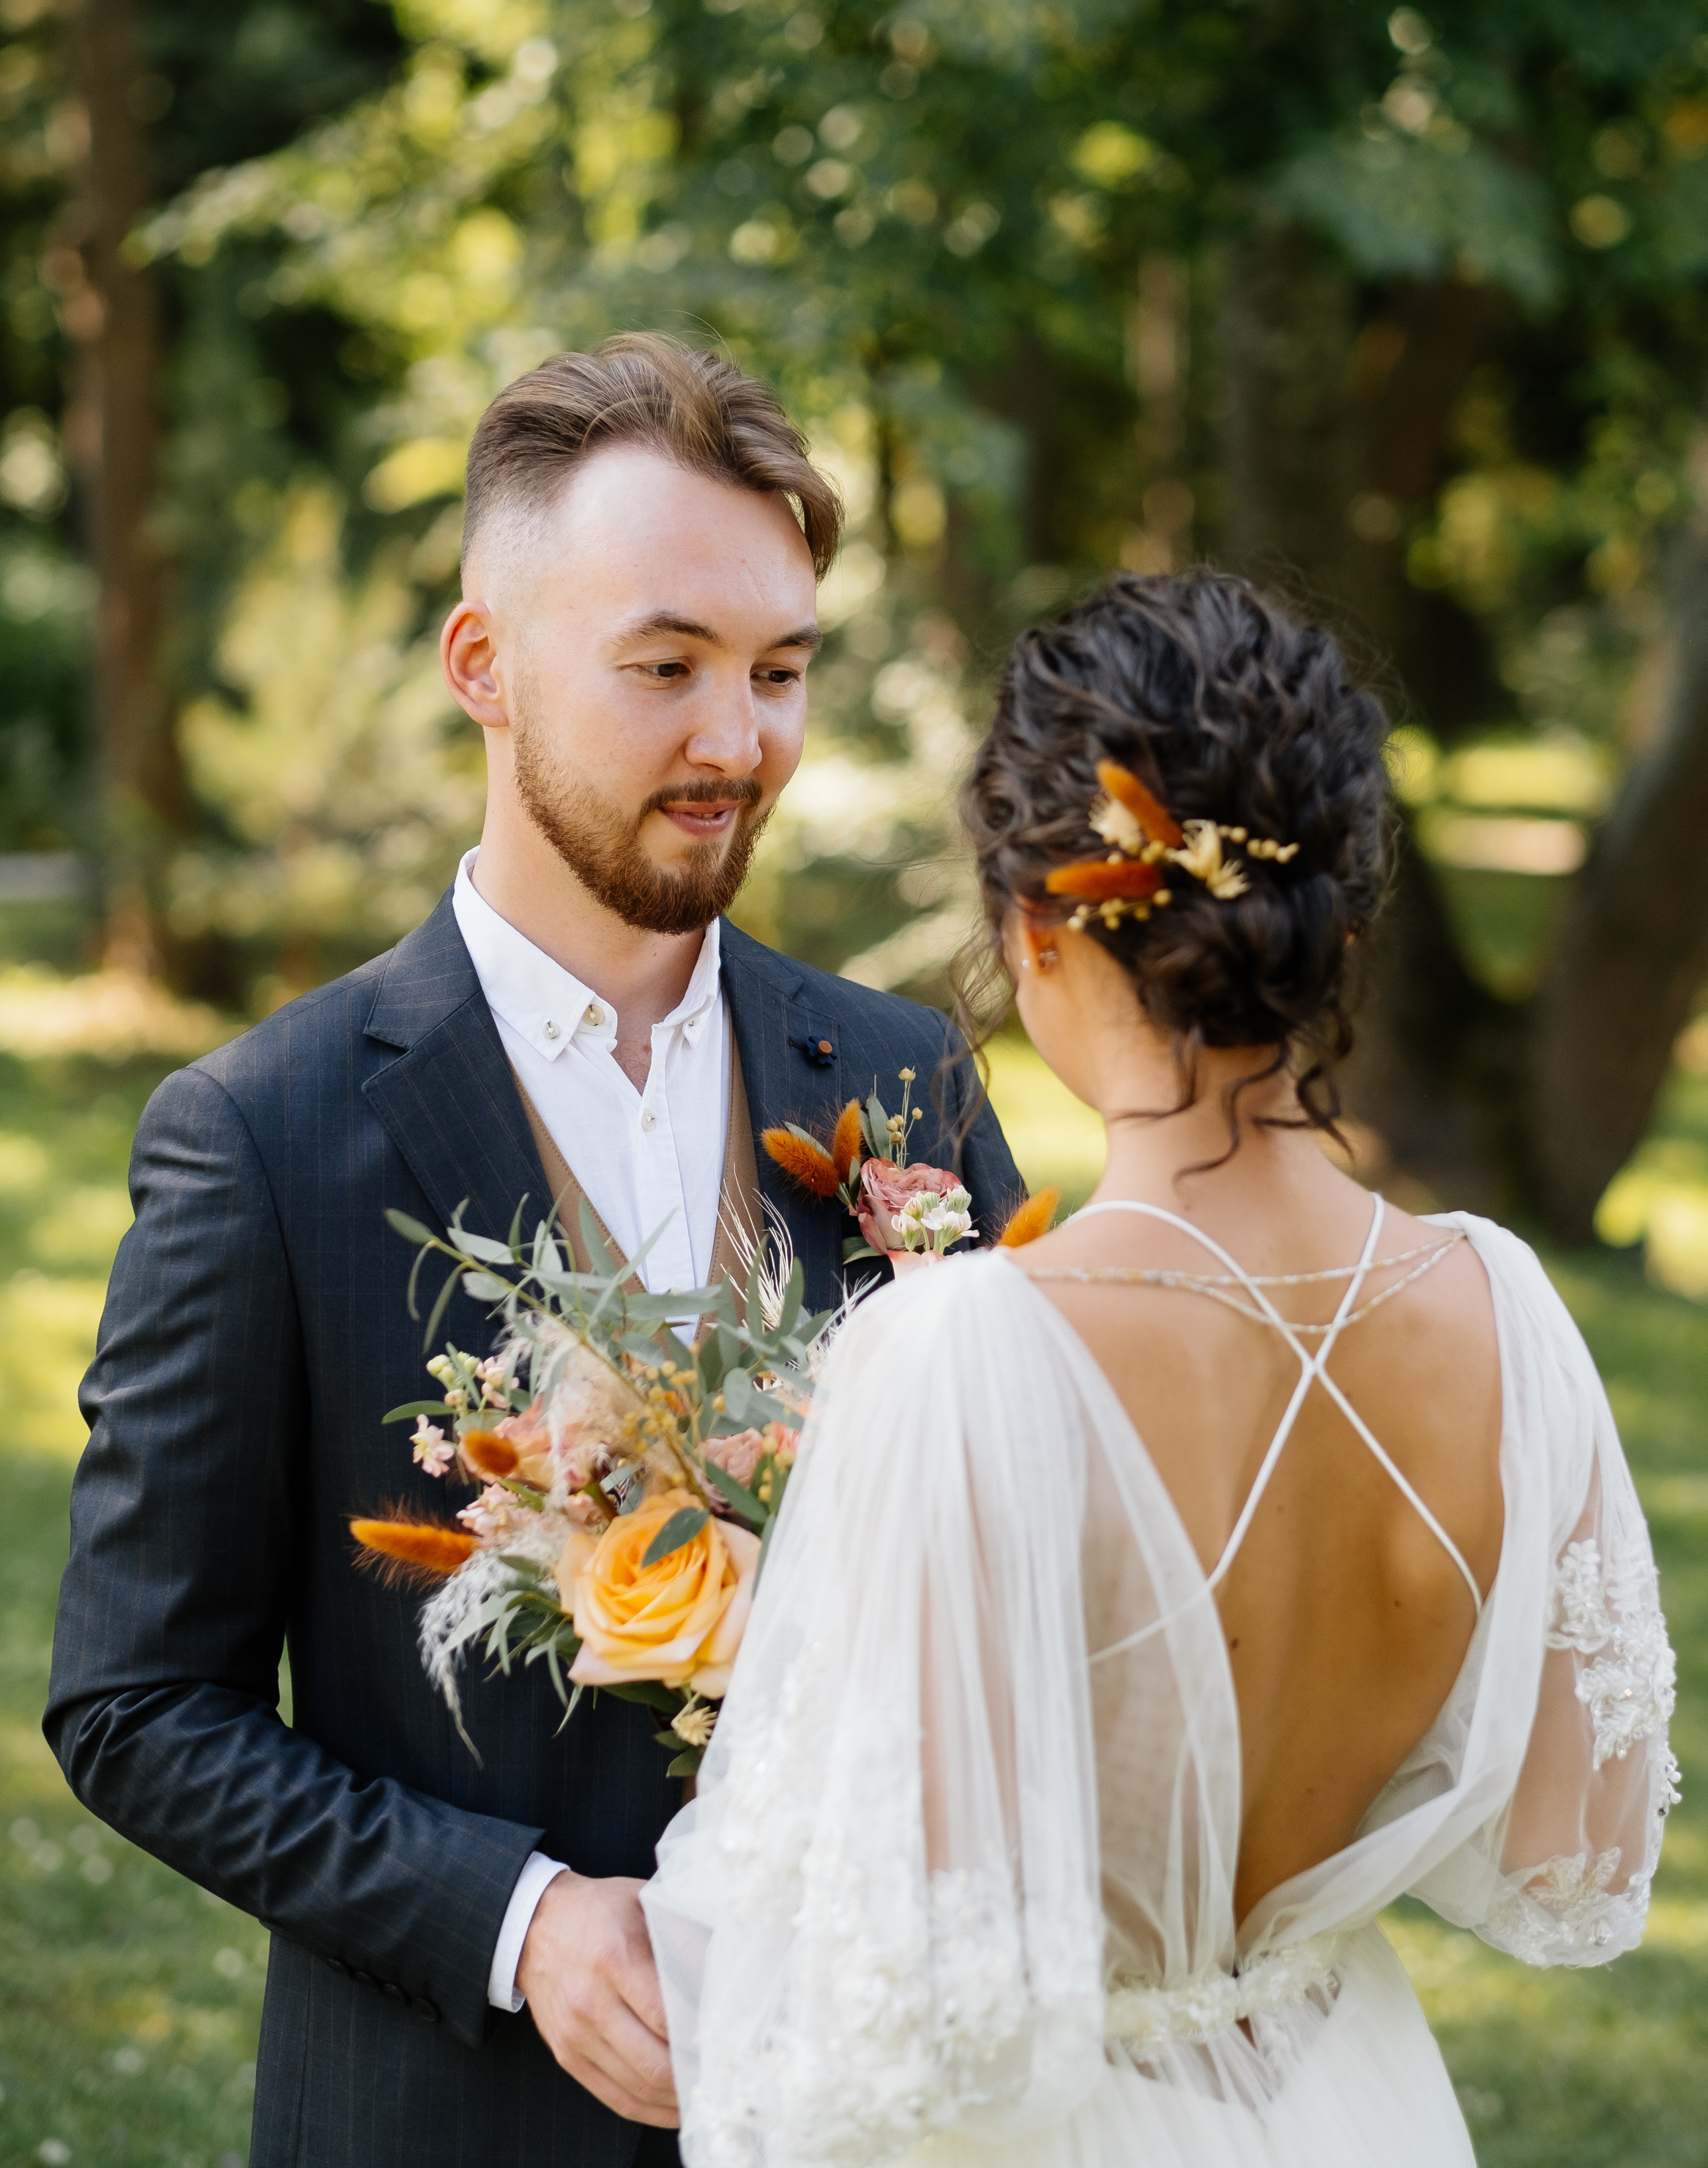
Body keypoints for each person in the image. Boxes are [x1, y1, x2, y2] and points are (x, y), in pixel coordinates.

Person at [45, 333, 1020, 2168]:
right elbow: (136, 1703)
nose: (737, 741)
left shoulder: (908, 1083)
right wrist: (513, 1923)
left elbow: (1025, 1571)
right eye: (665, 668)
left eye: (781, 671)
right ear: (483, 667)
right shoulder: (265, 1135)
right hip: (450, 2116)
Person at [643, 570, 1679, 2168]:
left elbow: (867, 2008)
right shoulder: (1509, 1314)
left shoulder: (963, 1353)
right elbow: (1570, 1842)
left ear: (1036, 923)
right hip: (1357, 2108)